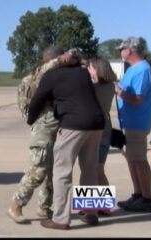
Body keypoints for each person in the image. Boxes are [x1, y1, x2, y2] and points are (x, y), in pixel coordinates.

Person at [27, 47, 105, 230]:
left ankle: (61, 218)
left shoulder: (51, 76)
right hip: (97, 123)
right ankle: (91, 213)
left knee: (62, 171)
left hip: (73, 124)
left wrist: (31, 120)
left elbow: (37, 100)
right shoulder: (82, 73)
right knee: (89, 170)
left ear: (52, 61)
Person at [7, 46, 79, 224]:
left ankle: (95, 208)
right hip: (57, 126)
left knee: (57, 169)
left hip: (83, 127)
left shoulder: (74, 75)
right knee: (41, 167)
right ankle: (17, 204)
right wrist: (66, 58)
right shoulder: (42, 75)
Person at [114, 36, 151, 212]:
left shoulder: (142, 70)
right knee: (132, 160)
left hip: (137, 124)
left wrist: (119, 92)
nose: (120, 52)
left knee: (139, 160)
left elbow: (137, 99)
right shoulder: (133, 69)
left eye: (121, 49)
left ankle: (147, 199)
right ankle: (138, 195)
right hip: (129, 122)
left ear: (129, 50)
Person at [86, 57, 116, 216]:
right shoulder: (110, 87)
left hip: (93, 132)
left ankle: (89, 208)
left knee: (90, 170)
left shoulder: (91, 87)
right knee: (99, 170)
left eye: (90, 67)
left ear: (96, 69)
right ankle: (104, 206)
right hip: (106, 130)